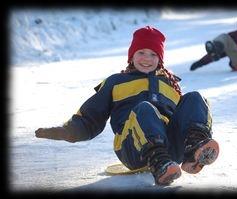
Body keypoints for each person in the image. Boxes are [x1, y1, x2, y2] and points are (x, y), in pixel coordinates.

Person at [35, 26, 219, 186]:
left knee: (195, 98)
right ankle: (159, 162)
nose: (147, 58)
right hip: (133, 147)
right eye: (141, 52)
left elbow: (184, 118)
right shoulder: (116, 82)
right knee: (145, 109)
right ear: (131, 56)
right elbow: (91, 116)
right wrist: (67, 131)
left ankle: (193, 152)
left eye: (153, 54)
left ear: (160, 59)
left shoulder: (169, 85)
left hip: (170, 148)